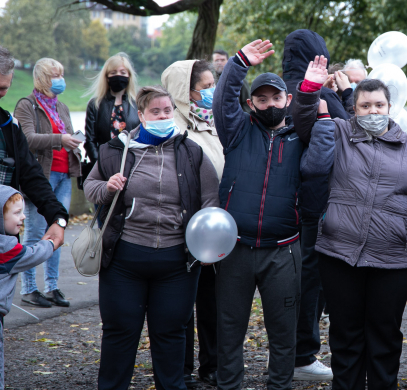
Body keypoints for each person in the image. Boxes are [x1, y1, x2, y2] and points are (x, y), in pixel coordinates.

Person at [293, 59, 407, 390]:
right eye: (365, 106)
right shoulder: (337, 133)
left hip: (394, 257)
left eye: (379, 105)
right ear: (354, 109)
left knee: (384, 335)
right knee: (346, 335)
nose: (372, 111)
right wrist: (309, 88)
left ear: (390, 107)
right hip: (339, 251)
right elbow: (305, 123)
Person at [213, 40, 335, 390]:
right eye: (262, 99)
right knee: (230, 328)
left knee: (284, 333)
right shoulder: (237, 131)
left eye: (276, 98)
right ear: (251, 104)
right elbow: (223, 99)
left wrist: (316, 100)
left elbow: (320, 159)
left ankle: (279, 386)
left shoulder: (302, 136)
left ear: (288, 101)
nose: (269, 105)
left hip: (284, 250)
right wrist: (238, 63)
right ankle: (229, 385)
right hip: (235, 248)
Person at [84, 86, 219, 390]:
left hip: (176, 263)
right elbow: (90, 187)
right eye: (155, 111)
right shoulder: (115, 150)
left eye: (167, 111)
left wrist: (206, 243)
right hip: (123, 261)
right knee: (120, 332)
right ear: (141, 115)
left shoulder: (190, 151)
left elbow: (211, 200)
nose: (162, 116)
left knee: (171, 334)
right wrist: (108, 187)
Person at [281, 30, 348, 381]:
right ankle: (302, 354)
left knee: (286, 279)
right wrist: (346, 94)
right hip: (316, 201)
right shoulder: (320, 94)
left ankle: (287, 353)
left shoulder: (275, 90)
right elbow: (350, 134)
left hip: (278, 199)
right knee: (312, 279)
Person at [161, 59, 224, 387]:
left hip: (216, 228)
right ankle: (181, 370)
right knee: (182, 305)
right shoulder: (171, 127)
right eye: (205, 86)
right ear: (184, 92)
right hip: (182, 228)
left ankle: (211, 365)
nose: (212, 91)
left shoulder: (214, 120)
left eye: (213, 83)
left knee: (212, 302)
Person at [14, 58, 80, 308]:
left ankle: (51, 286)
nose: (60, 79)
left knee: (57, 231)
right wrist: (60, 139)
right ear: (42, 78)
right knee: (33, 233)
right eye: (55, 75)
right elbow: (27, 139)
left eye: (61, 74)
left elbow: (66, 135)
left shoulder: (61, 107)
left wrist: (72, 141)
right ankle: (29, 288)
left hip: (64, 174)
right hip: (40, 176)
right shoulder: (26, 105)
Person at [0, 47, 67, 261]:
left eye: (3, 89)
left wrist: (57, 218)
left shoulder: (8, 127)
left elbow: (32, 175)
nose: (0, 94)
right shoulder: (27, 106)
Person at [0, 187, 60, 389]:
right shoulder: (6, 248)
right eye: (16, 213)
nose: (23, 216)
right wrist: (51, 244)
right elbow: (32, 254)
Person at [84, 53, 140, 166]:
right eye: (113, 73)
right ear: (106, 77)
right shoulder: (96, 104)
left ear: (129, 76)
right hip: (104, 164)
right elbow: (90, 140)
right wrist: (98, 165)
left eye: (123, 72)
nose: (118, 76)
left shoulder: (138, 104)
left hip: (133, 164)